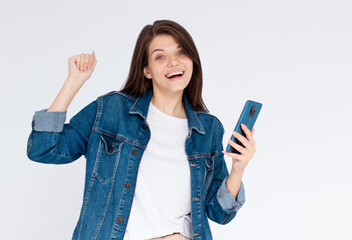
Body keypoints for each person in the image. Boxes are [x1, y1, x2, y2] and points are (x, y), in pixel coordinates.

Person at [27, 19, 256, 240]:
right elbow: (43, 148)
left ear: (192, 61)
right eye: (160, 57)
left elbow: (220, 213)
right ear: (146, 70)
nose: (173, 62)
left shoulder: (208, 129)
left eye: (181, 52)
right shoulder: (112, 110)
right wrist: (73, 81)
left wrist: (238, 168)